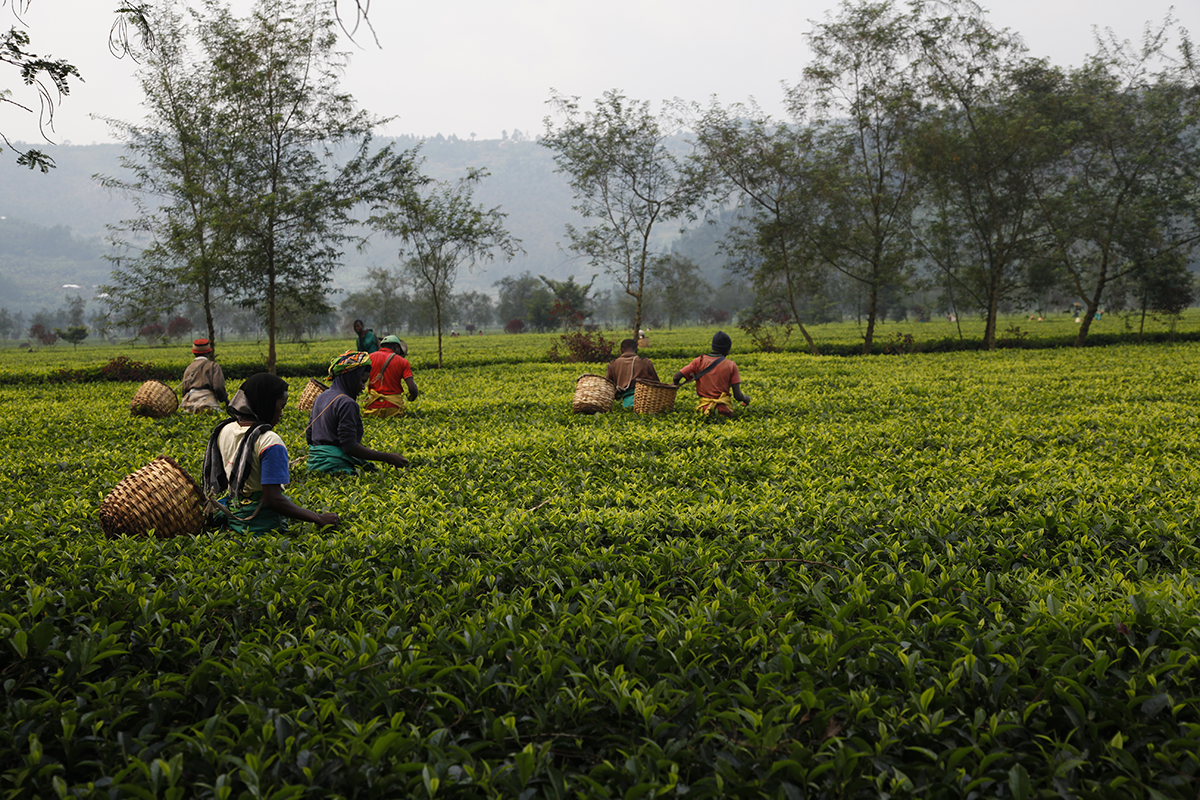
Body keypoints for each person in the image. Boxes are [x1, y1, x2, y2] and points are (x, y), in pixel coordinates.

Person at [201, 373, 339, 534]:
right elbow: (273, 500)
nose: (281, 414)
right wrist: (319, 518)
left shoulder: (225, 429)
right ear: (266, 404)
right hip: (260, 521)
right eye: (280, 407)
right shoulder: (269, 441)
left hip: (235, 506)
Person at [307, 350, 409, 473]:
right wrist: (388, 457)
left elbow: (309, 435)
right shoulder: (347, 403)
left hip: (314, 464)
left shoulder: (320, 397)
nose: (363, 387)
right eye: (362, 381)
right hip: (336, 467)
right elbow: (349, 446)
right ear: (350, 378)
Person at [672, 331, 750, 416]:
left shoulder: (699, 361)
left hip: (704, 410)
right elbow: (737, 396)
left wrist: (674, 386)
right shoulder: (731, 365)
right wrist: (746, 398)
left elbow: (676, 377)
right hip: (724, 411)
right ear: (727, 350)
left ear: (713, 347)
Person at [364, 335, 419, 418]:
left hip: (373, 406)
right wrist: (412, 396)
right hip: (393, 407)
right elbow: (412, 388)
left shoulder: (370, 357)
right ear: (396, 347)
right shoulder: (402, 362)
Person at [605, 338, 659, 409]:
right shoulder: (645, 362)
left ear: (621, 350)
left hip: (627, 402)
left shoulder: (613, 364)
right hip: (648, 401)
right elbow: (657, 382)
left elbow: (608, 386)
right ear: (636, 350)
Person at [180, 338, 227, 413]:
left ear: (194, 353)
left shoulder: (189, 368)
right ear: (208, 352)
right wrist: (225, 400)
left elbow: (184, 390)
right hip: (208, 404)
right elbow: (218, 387)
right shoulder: (213, 366)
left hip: (191, 404)